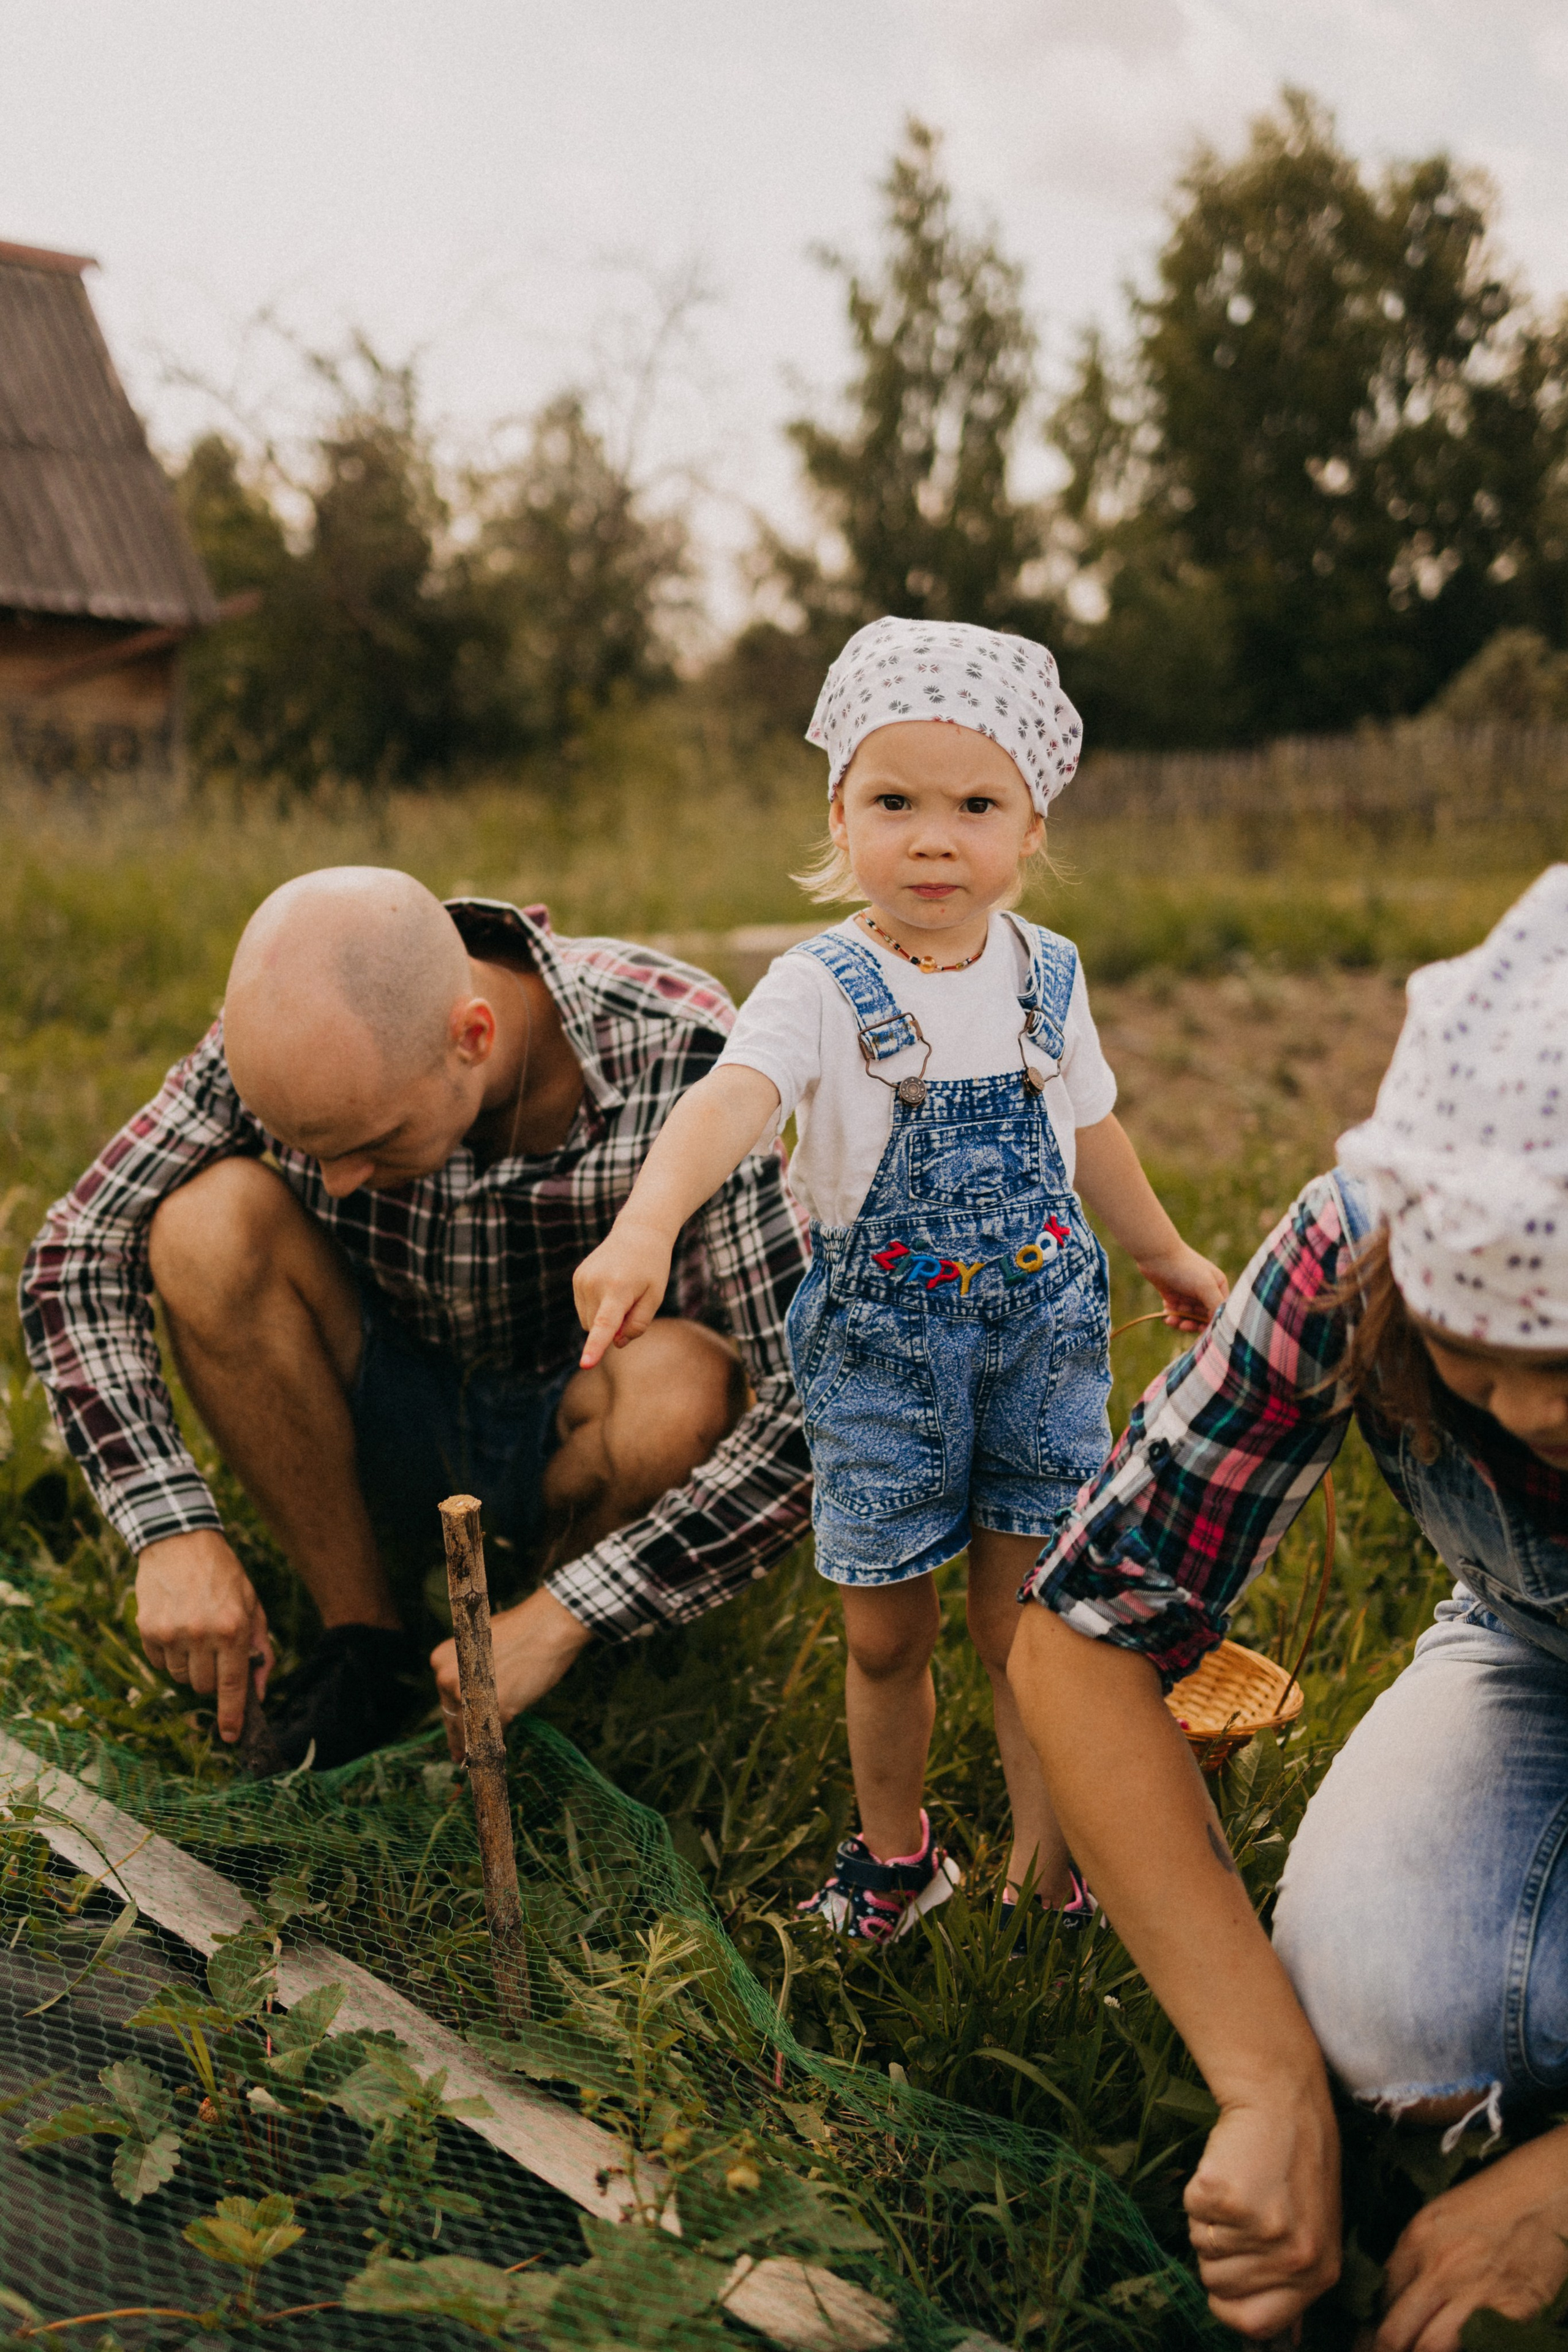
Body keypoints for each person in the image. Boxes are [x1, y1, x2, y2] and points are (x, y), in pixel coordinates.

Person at [574, 616, 1228, 1940]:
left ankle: (1045, 1869)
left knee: (1028, 1623)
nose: (934, 840)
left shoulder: (1048, 975)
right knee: (886, 1635)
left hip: (1042, 1344)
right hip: (882, 1360)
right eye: (893, 803)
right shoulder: (819, 987)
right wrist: (646, 1226)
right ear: (839, 813)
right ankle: (896, 1855)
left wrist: (1161, 1251)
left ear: (1031, 826)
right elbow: (729, 1102)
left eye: (975, 805)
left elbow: (1090, 1127)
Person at [1008, 866, 1568, 2350]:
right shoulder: (1352, 1246)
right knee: (1382, 2006)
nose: (1524, 1414)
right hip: (1537, 1647)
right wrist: (1265, 2085)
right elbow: (1081, 1633)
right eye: (1470, 1358)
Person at [18, 869, 813, 1771]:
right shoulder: (296, 1034)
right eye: (311, 1152)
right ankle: (363, 1636)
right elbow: (75, 1252)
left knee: (688, 1389)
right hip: (373, 1393)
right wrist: (169, 1526)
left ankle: (546, 1635)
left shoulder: (687, 1054)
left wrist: (568, 1614)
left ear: (472, 1037)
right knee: (206, 1225)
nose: (337, 1182)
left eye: (370, 1143)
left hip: (579, 1417)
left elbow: (811, 1402)